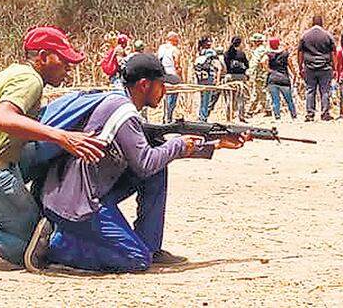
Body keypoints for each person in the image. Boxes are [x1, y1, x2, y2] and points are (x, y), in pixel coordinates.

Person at [23, 53, 249, 273]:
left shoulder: (116, 101)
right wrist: (179, 144)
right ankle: (55, 245)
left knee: (157, 172)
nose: (165, 91)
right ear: (144, 85)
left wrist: (215, 144)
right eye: (161, 85)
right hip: (77, 203)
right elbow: (145, 163)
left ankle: (151, 247)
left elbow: (152, 157)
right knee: (135, 259)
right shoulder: (124, 113)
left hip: (75, 192)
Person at [0, 26, 106, 271]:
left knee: (51, 153)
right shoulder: (30, 80)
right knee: (32, 248)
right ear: (43, 57)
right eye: (64, 60)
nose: (69, 67)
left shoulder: (11, 74)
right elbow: (4, 119)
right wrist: (63, 137)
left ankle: (32, 206)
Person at [298, 15, 336, 122]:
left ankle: (310, 114)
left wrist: (300, 66)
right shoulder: (327, 35)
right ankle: (325, 113)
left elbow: (300, 52)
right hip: (325, 66)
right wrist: (335, 68)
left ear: (312, 22)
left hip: (309, 67)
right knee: (324, 91)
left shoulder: (305, 35)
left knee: (310, 90)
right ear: (321, 23)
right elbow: (333, 52)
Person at [266, 36, 298, 120]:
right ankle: (293, 115)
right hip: (284, 79)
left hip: (272, 79)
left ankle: (277, 116)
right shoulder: (285, 54)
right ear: (278, 43)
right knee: (289, 99)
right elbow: (290, 64)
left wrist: (268, 70)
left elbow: (262, 61)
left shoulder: (268, 54)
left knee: (275, 99)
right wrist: (294, 74)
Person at [220, 36, 249, 122]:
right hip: (241, 77)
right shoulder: (242, 54)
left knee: (229, 97)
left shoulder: (226, 54)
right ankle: (241, 116)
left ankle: (229, 116)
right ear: (240, 44)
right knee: (241, 97)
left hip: (230, 76)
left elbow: (225, 66)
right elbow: (247, 65)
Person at [157, 32, 182, 124]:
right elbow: (177, 65)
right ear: (174, 40)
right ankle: (169, 118)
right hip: (172, 75)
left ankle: (165, 117)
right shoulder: (175, 50)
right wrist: (180, 77)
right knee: (172, 98)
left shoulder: (161, 48)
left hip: (162, 75)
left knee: (165, 96)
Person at [193, 36, 217, 123]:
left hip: (201, 77)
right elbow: (215, 55)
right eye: (209, 41)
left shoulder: (199, 52)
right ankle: (203, 117)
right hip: (208, 76)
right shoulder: (210, 52)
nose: (210, 43)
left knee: (203, 97)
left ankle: (201, 116)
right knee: (207, 97)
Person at [245, 34, 270, 118]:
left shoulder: (259, 51)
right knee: (258, 92)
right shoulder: (265, 49)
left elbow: (254, 63)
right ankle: (252, 110)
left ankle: (251, 111)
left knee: (260, 92)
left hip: (260, 75)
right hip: (263, 74)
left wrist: (249, 72)